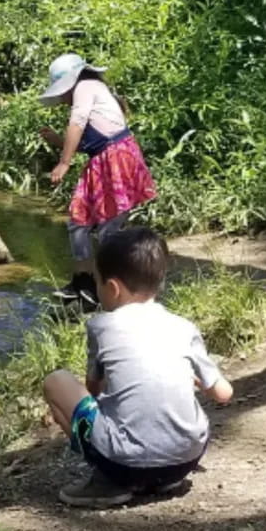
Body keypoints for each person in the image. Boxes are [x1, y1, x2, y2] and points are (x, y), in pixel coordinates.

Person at [42, 227, 233, 508]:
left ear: (113, 288)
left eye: (97, 281)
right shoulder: (183, 327)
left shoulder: (101, 326)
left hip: (124, 464)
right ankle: (162, 479)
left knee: (56, 382)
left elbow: (93, 389)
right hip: (186, 459)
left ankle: (107, 481)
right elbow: (224, 394)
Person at [37, 53, 157, 306]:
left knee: (108, 231)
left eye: (62, 93)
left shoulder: (86, 86)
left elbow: (77, 124)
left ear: (71, 82)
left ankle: (112, 289)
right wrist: (59, 142)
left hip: (117, 159)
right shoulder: (92, 90)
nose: (62, 100)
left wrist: (64, 162)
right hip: (100, 160)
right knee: (78, 221)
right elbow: (89, 142)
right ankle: (83, 281)